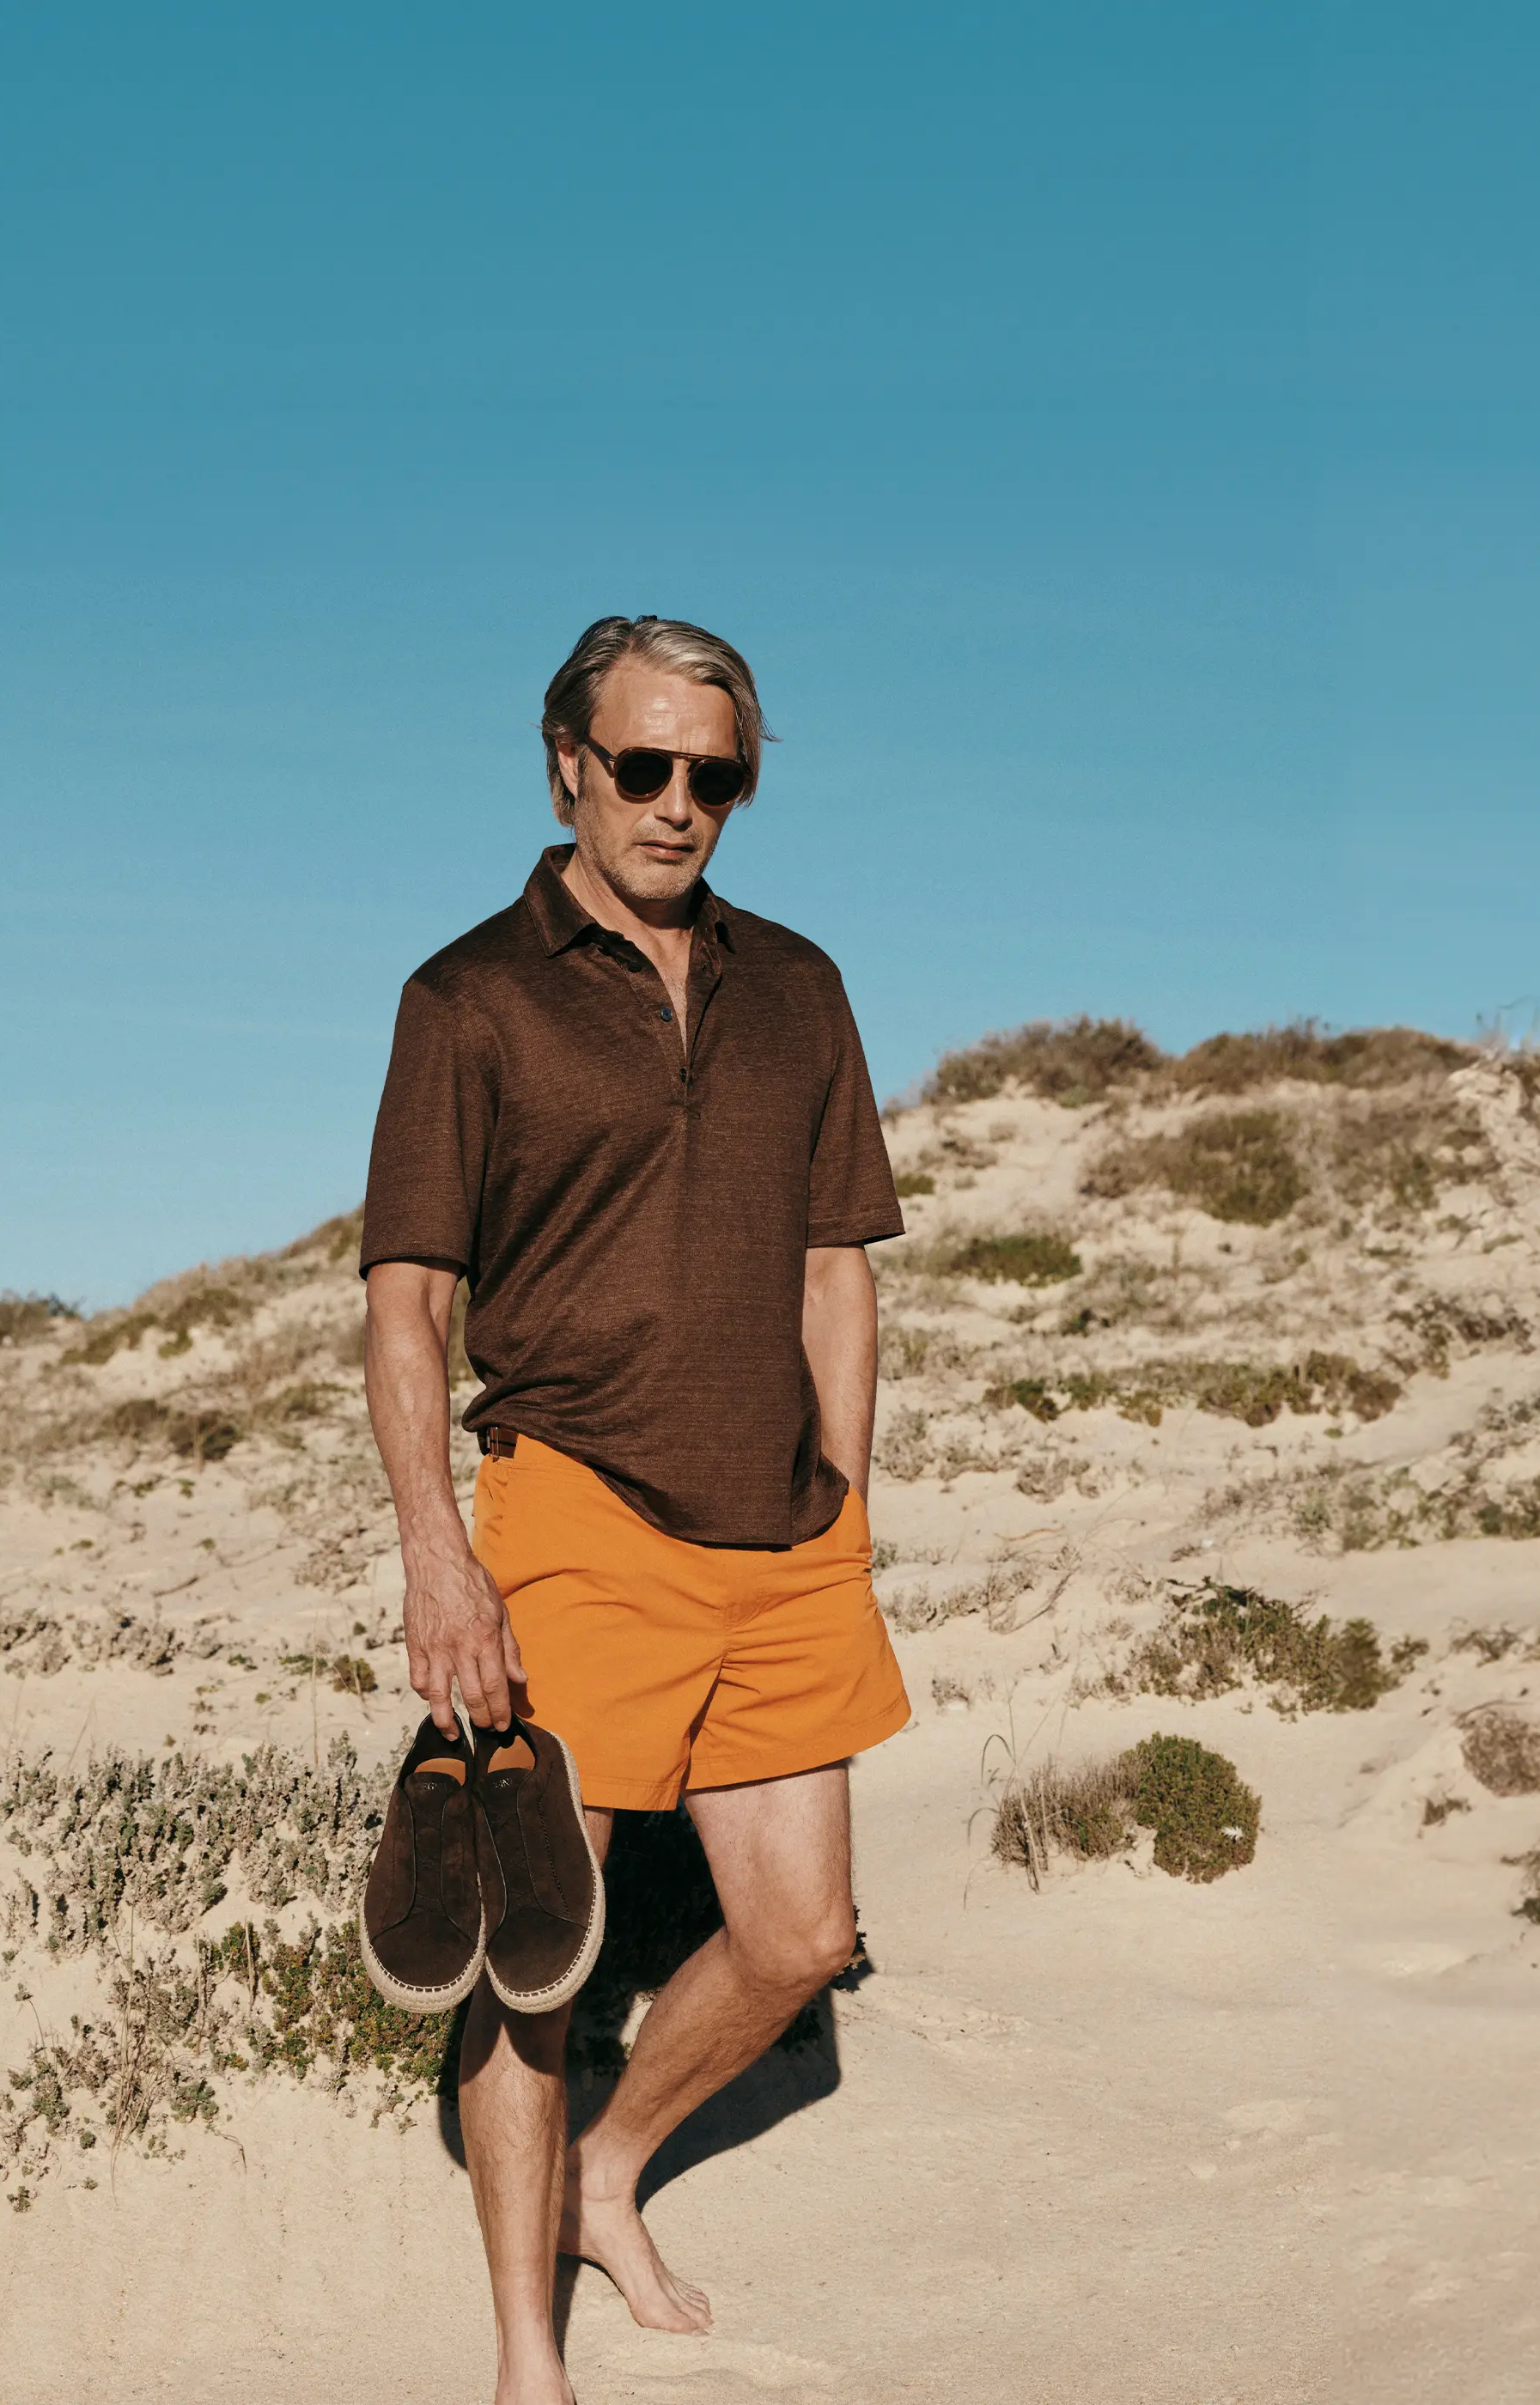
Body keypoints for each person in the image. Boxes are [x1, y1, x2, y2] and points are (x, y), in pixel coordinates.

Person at [359, 614, 909, 2405]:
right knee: (538, 1956)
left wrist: (853, 1497)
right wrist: (441, 1552)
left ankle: (610, 2163)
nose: (683, 805)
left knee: (798, 1937)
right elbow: (408, 1305)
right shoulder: (468, 1000)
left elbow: (839, 1261)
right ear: (568, 767)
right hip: (576, 1512)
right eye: (648, 765)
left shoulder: (804, 986)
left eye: (718, 774)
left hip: (787, 1529)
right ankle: (528, 2350)